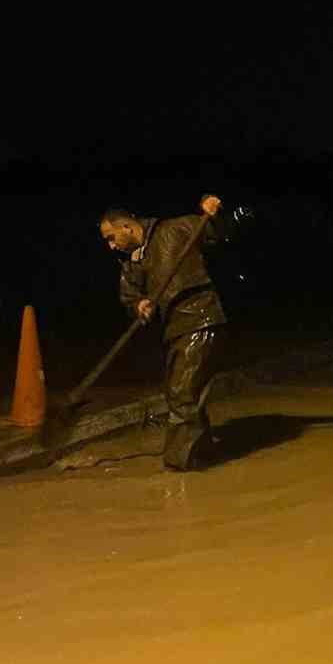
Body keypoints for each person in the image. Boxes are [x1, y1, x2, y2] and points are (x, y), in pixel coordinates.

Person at [99, 195, 227, 471]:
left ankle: (179, 464)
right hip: (173, 328)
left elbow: (214, 233)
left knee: (183, 392)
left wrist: (211, 211)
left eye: (111, 237)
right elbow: (129, 296)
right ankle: (202, 453)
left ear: (127, 227)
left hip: (201, 318)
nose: (110, 246)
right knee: (180, 392)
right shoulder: (131, 263)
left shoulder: (173, 229)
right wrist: (139, 305)